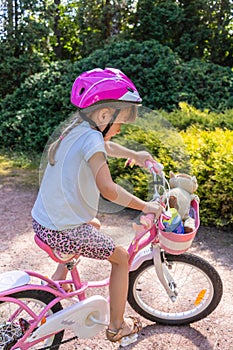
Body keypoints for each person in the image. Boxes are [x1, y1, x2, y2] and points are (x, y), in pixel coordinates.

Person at [31, 67, 162, 344]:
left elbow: (102, 146)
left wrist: (134, 154)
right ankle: (117, 326)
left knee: (93, 224)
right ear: (104, 115)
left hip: (46, 220)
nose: (120, 127)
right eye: (120, 120)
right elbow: (108, 190)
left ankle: (55, 282)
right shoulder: (90, 136)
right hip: (61, 229)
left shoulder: (79, 128)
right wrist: (145, 206)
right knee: (122, 257)